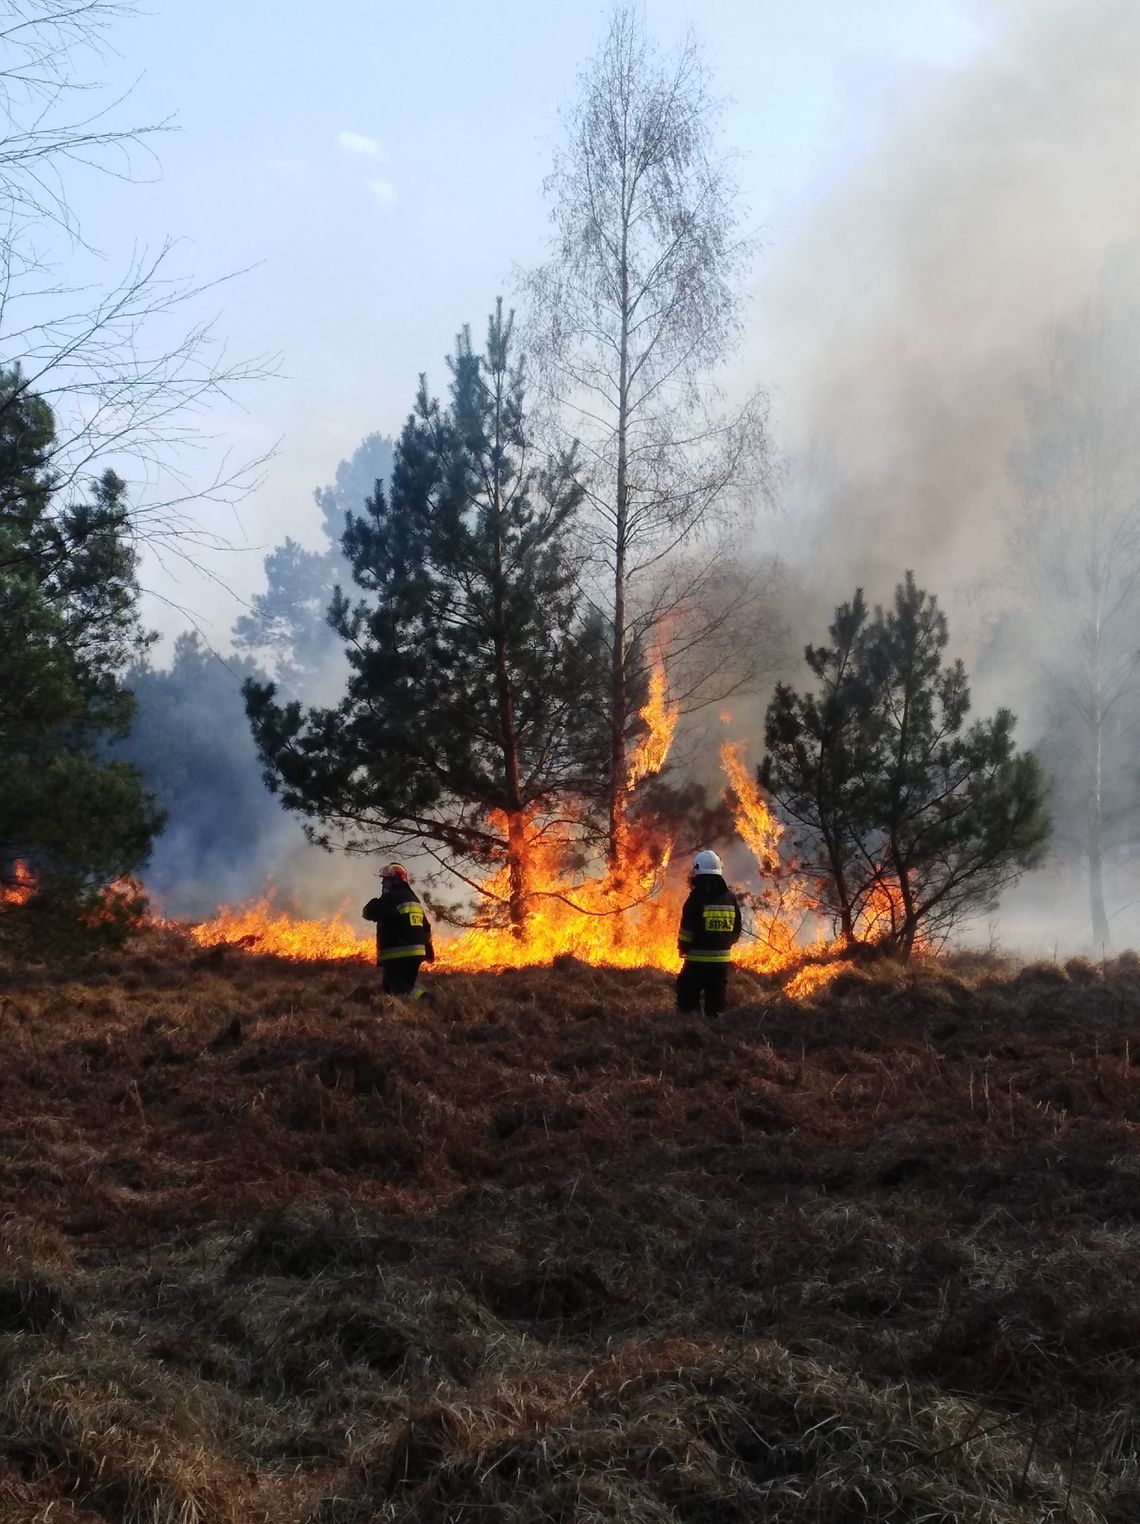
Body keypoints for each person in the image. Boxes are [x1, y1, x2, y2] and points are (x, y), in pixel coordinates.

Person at [676, 849, 741, 1018]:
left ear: (698, 872)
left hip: (697, 961)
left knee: (686, 993)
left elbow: (686, 932)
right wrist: (724, 943)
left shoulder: (695, 899)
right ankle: (715, 1030)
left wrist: (683, 947)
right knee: (716, 998)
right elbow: (736, 930)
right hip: (721, 963)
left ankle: (692, 1029)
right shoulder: (730, 898)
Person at [361, 863, 435, 997]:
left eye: (386, 879)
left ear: (395, 880)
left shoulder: (392, 898)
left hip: (398, 954)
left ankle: (425, 999)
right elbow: (427, 927)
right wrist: (429, 949)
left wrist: (373, 903)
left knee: (400, 989)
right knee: (392, 987)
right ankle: (410, 1011)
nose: (383, 882)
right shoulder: (413, 899)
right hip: (416, 954)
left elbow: (369, 913)